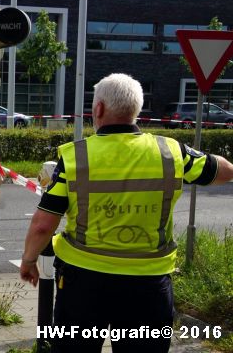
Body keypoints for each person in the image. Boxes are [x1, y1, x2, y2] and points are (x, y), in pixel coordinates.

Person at [20, 73, 233, 352]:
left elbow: (42, 226)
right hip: (148, 285)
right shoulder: (170, 153)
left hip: (83, 285)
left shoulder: (75, 158)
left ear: (98, 109)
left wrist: (28, 260)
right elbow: (226, 171)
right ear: (137, 109)